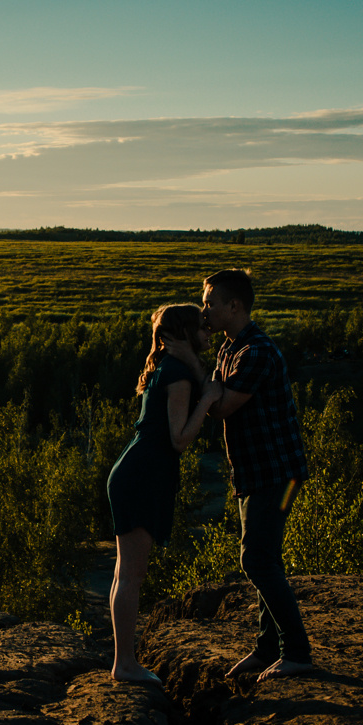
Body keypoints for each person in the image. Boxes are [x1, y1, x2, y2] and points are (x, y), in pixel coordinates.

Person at [176, 268, 312, 682]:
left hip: (281, 477)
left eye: (211, 303)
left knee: (256, 559)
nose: (205, 311)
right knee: (265, 557)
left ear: (234, 306)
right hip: (255, 474)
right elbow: (213, 392)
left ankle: (297, 652)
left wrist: (189, 365)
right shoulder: (229, 350)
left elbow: (221, 405)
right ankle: (267, 648)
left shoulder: (256, 353)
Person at [106, 303, 221, 685]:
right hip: (144, 475)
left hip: (134, 471)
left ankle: (122, 660)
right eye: (202, 329)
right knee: (132, 574)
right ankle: (125, 665)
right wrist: (206, 400)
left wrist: (196, 370)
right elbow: (180, 439)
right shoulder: (178, 376)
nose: (209, 333)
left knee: (125, 571)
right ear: (186, 332)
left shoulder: (167, 368)